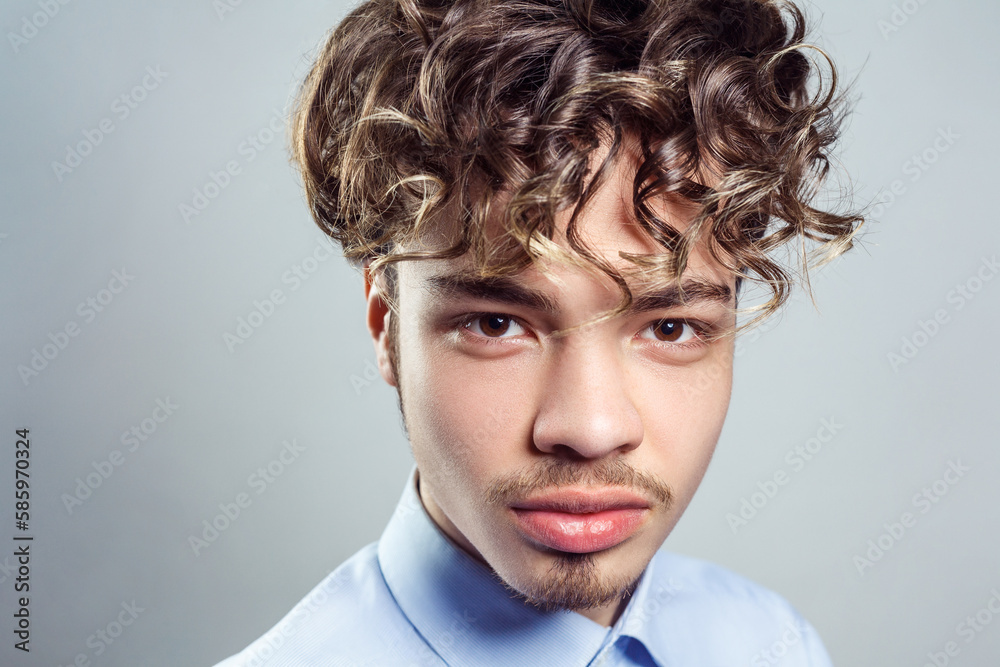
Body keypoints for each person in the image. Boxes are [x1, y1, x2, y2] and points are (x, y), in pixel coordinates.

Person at [217, 0, 861, 664]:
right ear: (387, 327)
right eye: (497, 324)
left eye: (670, 327)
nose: (590, 428)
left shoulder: (769, 644)